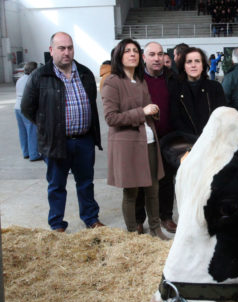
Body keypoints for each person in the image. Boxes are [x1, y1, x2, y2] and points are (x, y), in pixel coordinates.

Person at [21, 32, 104, 232]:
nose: (67, 52)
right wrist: (48, 127)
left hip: (84, 140)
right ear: (51, 50)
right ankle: (57, 224)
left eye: (70, 48)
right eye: (61, 48)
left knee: (85, 183)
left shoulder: (84, 73)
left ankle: (91, 218)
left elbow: (91, 102)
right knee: (57, 186)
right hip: (57, 142)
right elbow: (27, 108)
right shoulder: (40, 76)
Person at [101, 38, 168, 240]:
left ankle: (155, 228)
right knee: (131, 192)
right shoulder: (112, 81)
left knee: (153, 188)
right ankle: (131, 234)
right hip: (127, 145)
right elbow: (111, 118)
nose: (133, 54)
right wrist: (142, 111)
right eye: (127, 51)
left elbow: (147, 110)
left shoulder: (139, 81)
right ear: (119, 56)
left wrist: (153, 112)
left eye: (136, 51)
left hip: (147, 141)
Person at [135, 41, 177, 235]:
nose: (157, 58)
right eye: (152, 54)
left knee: (167, 180)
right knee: (142, 181)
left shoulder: (172, 78)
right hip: (144, 138)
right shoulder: (136, 80)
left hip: (168, 138)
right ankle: (138, 220)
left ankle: (166, 216)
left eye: (160, 54)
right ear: (144, 57)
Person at [171, 47, 226, 136]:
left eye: (197, 61)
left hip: (212, 140)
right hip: (187, 142)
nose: (193, 65)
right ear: (184, 66)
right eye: (189, 62)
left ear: (203, 65)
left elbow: (222, 116)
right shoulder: (176, 89)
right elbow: (175, 120)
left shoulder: (215, 87)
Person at [15, 61, 41, 161]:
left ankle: (26, 152)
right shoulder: (32, 79)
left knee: (22, 130)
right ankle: (34, 154)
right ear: (34, 70)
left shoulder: (20, 79)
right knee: (32, 130)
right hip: (26, 108)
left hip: (17, 107)